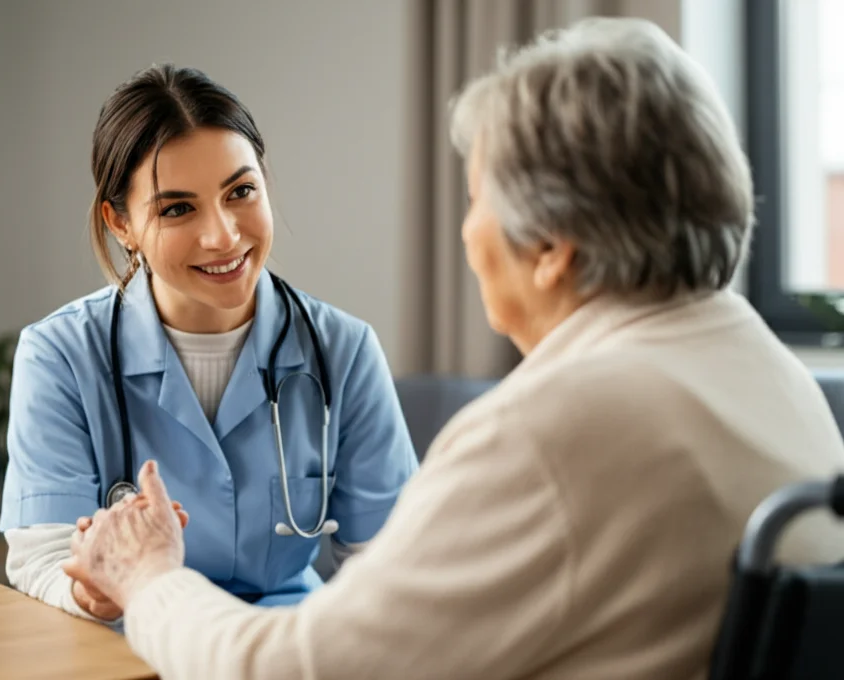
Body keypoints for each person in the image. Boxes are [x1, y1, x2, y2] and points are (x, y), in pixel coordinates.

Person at [63, 17, 844, 679]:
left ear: (551, 249)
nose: (468, 233)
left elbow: (297, 671)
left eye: (476, 200)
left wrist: (150, 577)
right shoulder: (772, 374)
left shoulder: (552, 433)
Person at [0, 64, 419, 623]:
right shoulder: (60, 356)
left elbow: (391, 563)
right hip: (133, 641)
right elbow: (45, 559)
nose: (222, 235)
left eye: (240, 191)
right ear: (119, 224)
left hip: (283, 644)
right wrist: (89, 592)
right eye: (177, 208)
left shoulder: (343, 350)